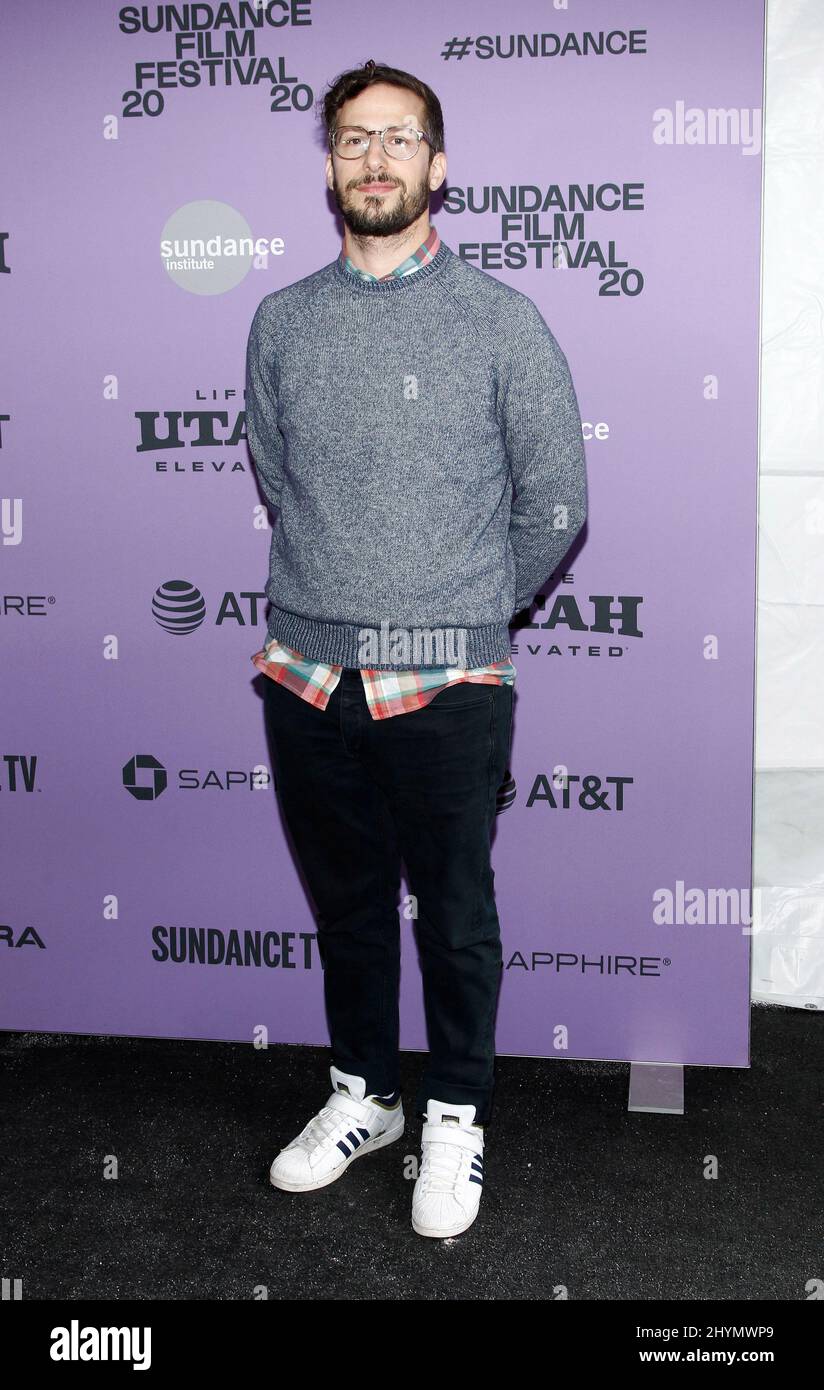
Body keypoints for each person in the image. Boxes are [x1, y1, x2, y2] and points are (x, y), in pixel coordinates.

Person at [244, 58, 587, 1239]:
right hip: (304, 670)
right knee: (343, 906)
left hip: (448, 677)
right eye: (352, 140)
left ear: (437, 166)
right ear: (330, 166)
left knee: (452, 913)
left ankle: (454, 1115)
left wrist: (459, 612)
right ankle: (363, 1095)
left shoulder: (500, 319)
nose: (375, 159)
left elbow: (554, 503)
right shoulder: (280, 321)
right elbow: (283, 481)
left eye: (399, 139)